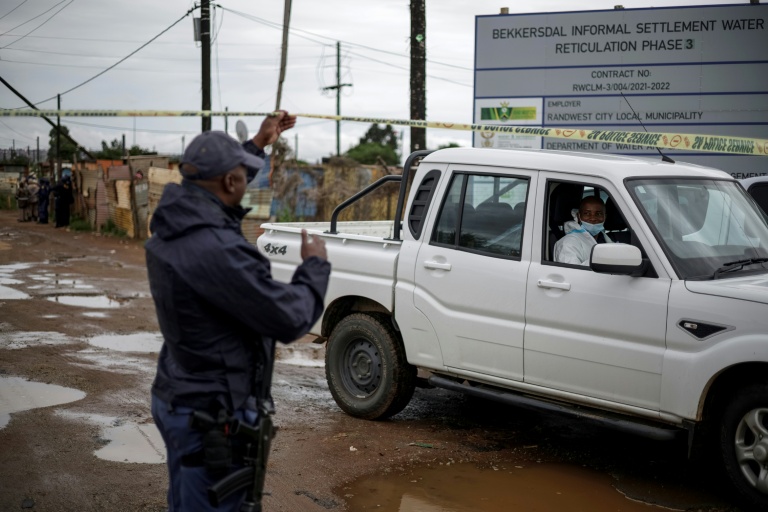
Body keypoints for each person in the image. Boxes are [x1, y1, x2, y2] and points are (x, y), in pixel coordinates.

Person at [146, 111, 331, 512]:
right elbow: (288, 318)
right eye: (244, 175)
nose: (248, 183)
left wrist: (259, 143)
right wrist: (314, 265)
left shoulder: (176, 222)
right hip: (211, 412)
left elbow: (223, 181)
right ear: (229, 182)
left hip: (181, 393)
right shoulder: (217, 250)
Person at [554, 196, 613, 266]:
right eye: (587, 213)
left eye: (598, 214)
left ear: (604, 217)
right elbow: (571, 274)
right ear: (579, 216)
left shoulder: (604, 238)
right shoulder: (567, 244)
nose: (593, 218)